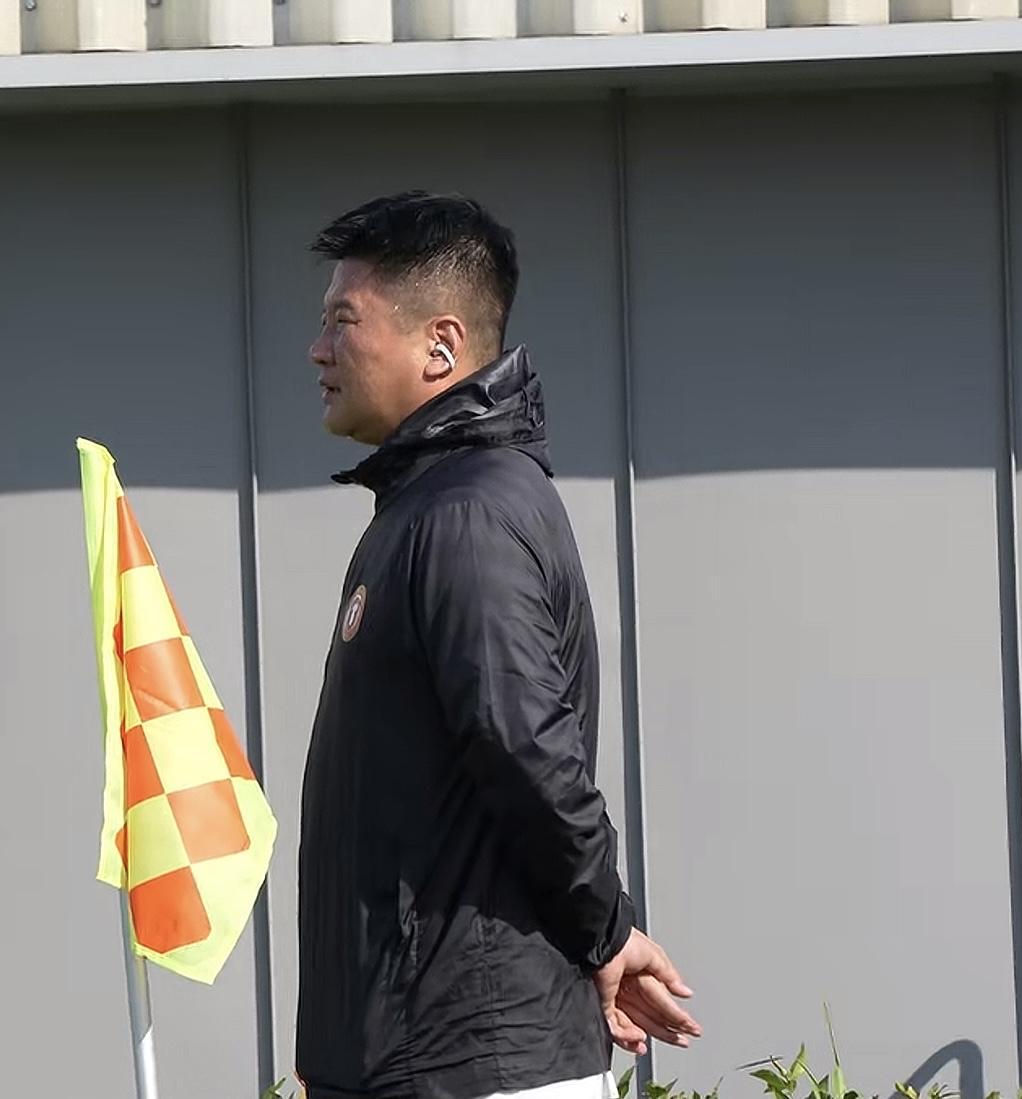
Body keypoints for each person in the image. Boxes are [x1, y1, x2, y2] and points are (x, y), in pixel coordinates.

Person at [295, 191, 701, 1099]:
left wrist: (604, 930)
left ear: (439, 346)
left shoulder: (467, 512)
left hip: (473, 1060)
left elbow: (526, 748)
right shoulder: (424, 507)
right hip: (420, 1056)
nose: (318, 350)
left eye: (342, 322)